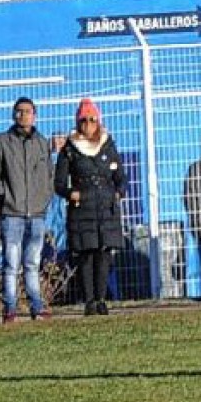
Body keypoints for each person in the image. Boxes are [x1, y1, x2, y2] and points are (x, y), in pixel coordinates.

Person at [54, 99, 125, 316]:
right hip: (82, 207)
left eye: (92, 119)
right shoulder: (70, 149)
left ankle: (101, 299)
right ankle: (89, 301)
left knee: (104, 253)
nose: (88, 124)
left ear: (98, 121)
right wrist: (71, 193)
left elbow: (120, 176)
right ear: (78, 122)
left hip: (106, 206)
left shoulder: (108, 145)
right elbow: (59, 183)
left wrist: (119, 192)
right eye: (83, 120)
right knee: (86, 254)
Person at [0, 98, 57, 324]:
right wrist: (4, 197)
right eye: (19, 111)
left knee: (32, 262)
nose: (23, 115)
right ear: (13, 115)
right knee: (11, 264)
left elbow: (49, 175)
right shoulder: (3, 142)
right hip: (11, 212)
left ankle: (37, 306)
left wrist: (43, 200)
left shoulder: (41, 143)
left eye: (28, 111)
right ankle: (10, 309)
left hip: (37, 213)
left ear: (35, 115)